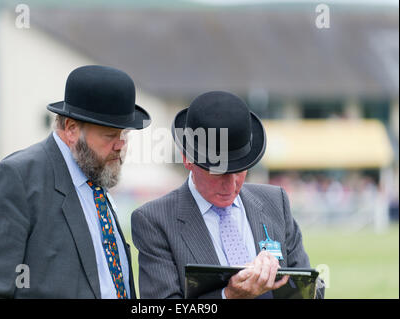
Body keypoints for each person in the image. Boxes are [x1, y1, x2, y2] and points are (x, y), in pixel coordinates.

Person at [0, 65, 151, 298]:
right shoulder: (15, 179)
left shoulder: (94, 176)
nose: (120, 145)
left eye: (124, 134)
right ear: (71, 129)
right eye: (109, 136)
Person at [131, 91, 323, 299]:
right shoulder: (155, 220)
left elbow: (313, 290)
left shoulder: (275, 202)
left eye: (240, 170)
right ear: (187, 159)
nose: (231, 185)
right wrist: (229, 295)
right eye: (219, 172)